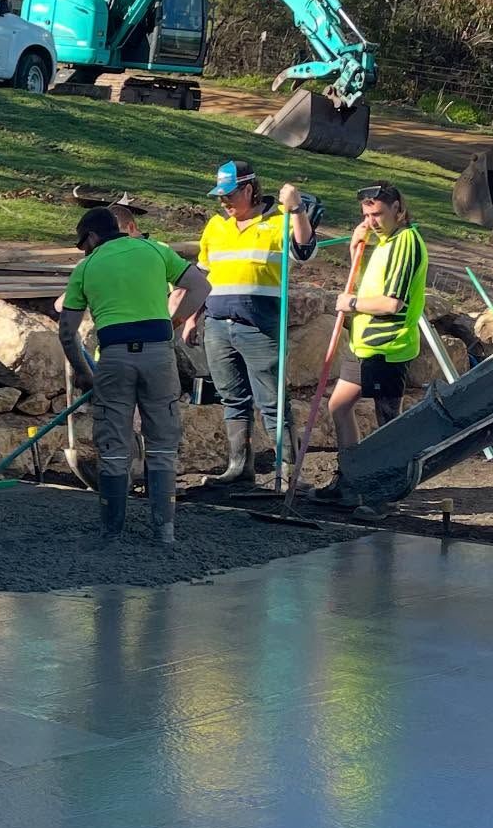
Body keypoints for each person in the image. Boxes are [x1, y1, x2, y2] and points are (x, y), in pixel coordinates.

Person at [58, 206, 194, 545]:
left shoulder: (86, 268)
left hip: (114, 359)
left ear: (91, 237)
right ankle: (165, 532)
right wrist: (172, 325)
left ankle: (112, 532)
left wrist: (84, 370)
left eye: (83, 244)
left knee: (114, 447)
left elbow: (66, 332)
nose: (84, 250)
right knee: (162, 445)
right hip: (159, 355)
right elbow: (200, 286)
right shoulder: (156, 251)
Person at [196, 158, 318, 486]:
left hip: (259, 327)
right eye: (220, 196)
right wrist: (191, 317)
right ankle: (240, 466)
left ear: (249, 190)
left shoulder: (278, 223)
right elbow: (203, 274)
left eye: (230, 195)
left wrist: (296, 211)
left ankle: (291, 472)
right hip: (218, 325)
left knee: (272, 400)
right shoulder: (215, 226)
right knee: (232, 398)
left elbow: (304, 250)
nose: (224, 202)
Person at [316, 182, 428, 505]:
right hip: (363, 346)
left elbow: (393, 303)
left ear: (398, 210)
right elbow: (365, 281)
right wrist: (355, 249)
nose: (371, 221)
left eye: (377, 214)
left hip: (388, 348)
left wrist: (350, 304)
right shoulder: (382, 242)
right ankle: (352, 477)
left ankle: (386, 493)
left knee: (388, 423)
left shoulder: (406, 242)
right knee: (338, 406)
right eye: (366, 214)